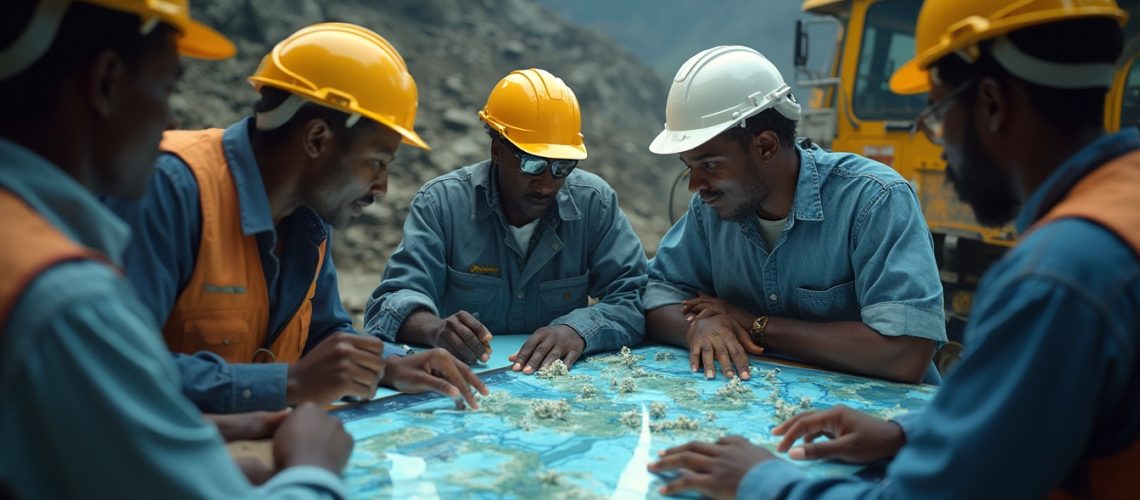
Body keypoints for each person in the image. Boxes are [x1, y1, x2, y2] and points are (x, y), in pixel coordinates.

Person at [649, 1, 1140, 498]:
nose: (940, 144)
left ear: (991, 104)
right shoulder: (1118, 211)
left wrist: (761, 480)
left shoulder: (1056, 279)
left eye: (937, 113)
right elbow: (1036, 416)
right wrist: (908, 433)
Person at [0, 0, 354, 497]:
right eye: (167, 88)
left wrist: (194, 434)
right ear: (105, 83)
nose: (169, 117)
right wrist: (313, 469)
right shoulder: (67, 299)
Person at [105, 22, 488, 412]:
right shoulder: (167, 189)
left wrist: (389, 363)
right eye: (376, 162)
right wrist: (288, 383)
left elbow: (324, 332)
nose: (382, 187)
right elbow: (117, 368)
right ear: (317, 139)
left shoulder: (310, 215)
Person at [643, 45, 946, 384]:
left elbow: (905, 353)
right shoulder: (710, 209)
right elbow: (656, 295)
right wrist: (700, 326)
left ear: (766, 146)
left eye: (710, 165)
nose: (695, 185)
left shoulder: (875, 201)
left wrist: (756, 325)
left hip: (875, 423)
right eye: (690, 167)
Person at [365, 68, 647, 372]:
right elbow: (390, 304)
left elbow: (633, 297)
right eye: (532, 163)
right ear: (496, 150)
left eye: (563, 166)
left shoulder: (595, 204)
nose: (547, 183)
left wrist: (579, 330)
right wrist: (435, 329)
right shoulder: (443, 205)